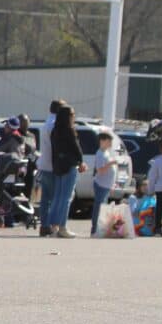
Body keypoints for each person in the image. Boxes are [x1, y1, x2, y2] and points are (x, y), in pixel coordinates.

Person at [47, 105, 85, 238]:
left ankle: (53, 227)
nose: (74, 117)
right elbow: (76, 148)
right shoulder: (69, 130)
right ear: (68, 117)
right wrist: (80, 161)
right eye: (72, 115)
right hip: (69, 165)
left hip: (58, 166)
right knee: (66, 198)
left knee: (57, 197)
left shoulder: (55, 131)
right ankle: (62, 227)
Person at [35, 99, 66, 237]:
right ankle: (52, 225)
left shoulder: (46, 124)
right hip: (53, 166)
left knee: (45, 198)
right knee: (54, 198)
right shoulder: (55, 125)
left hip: (44, 164)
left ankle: (44, 225)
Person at [90, 131, 117, 236]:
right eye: (109, 141)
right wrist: (110, 164)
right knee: (98, 208)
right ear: (102, 141)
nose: (110, 143)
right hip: (101, 185)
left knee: (103, 208)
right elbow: (100, 170)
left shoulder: (106, 152)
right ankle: (94, 230)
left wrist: (112, 184)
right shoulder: (100, 154)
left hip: (106, 185)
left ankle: (100, 229)